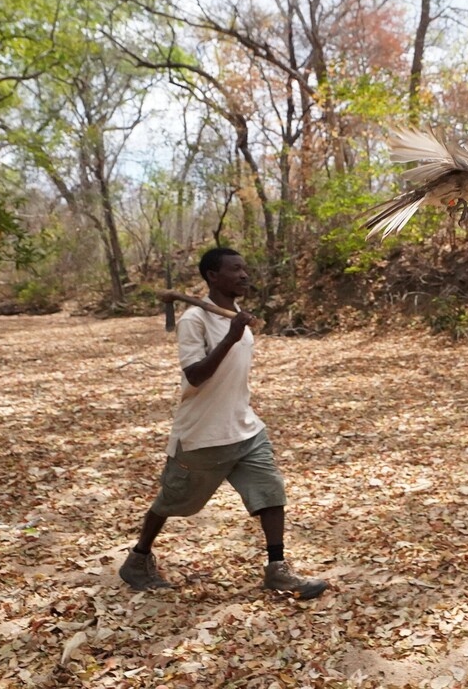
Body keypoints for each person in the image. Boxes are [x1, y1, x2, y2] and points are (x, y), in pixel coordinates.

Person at [119, 247, 328, 600]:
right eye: (235, 269)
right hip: (202, 435)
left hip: (245, 428)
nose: (245, 274)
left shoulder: (237, 317)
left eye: (245, 268)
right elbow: (195, 376)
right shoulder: (194, 320)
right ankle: (138, 559)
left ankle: (277, 569)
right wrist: (230, 336)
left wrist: (235, 333)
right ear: (213, 276)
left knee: (270, 491)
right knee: (172, 499)